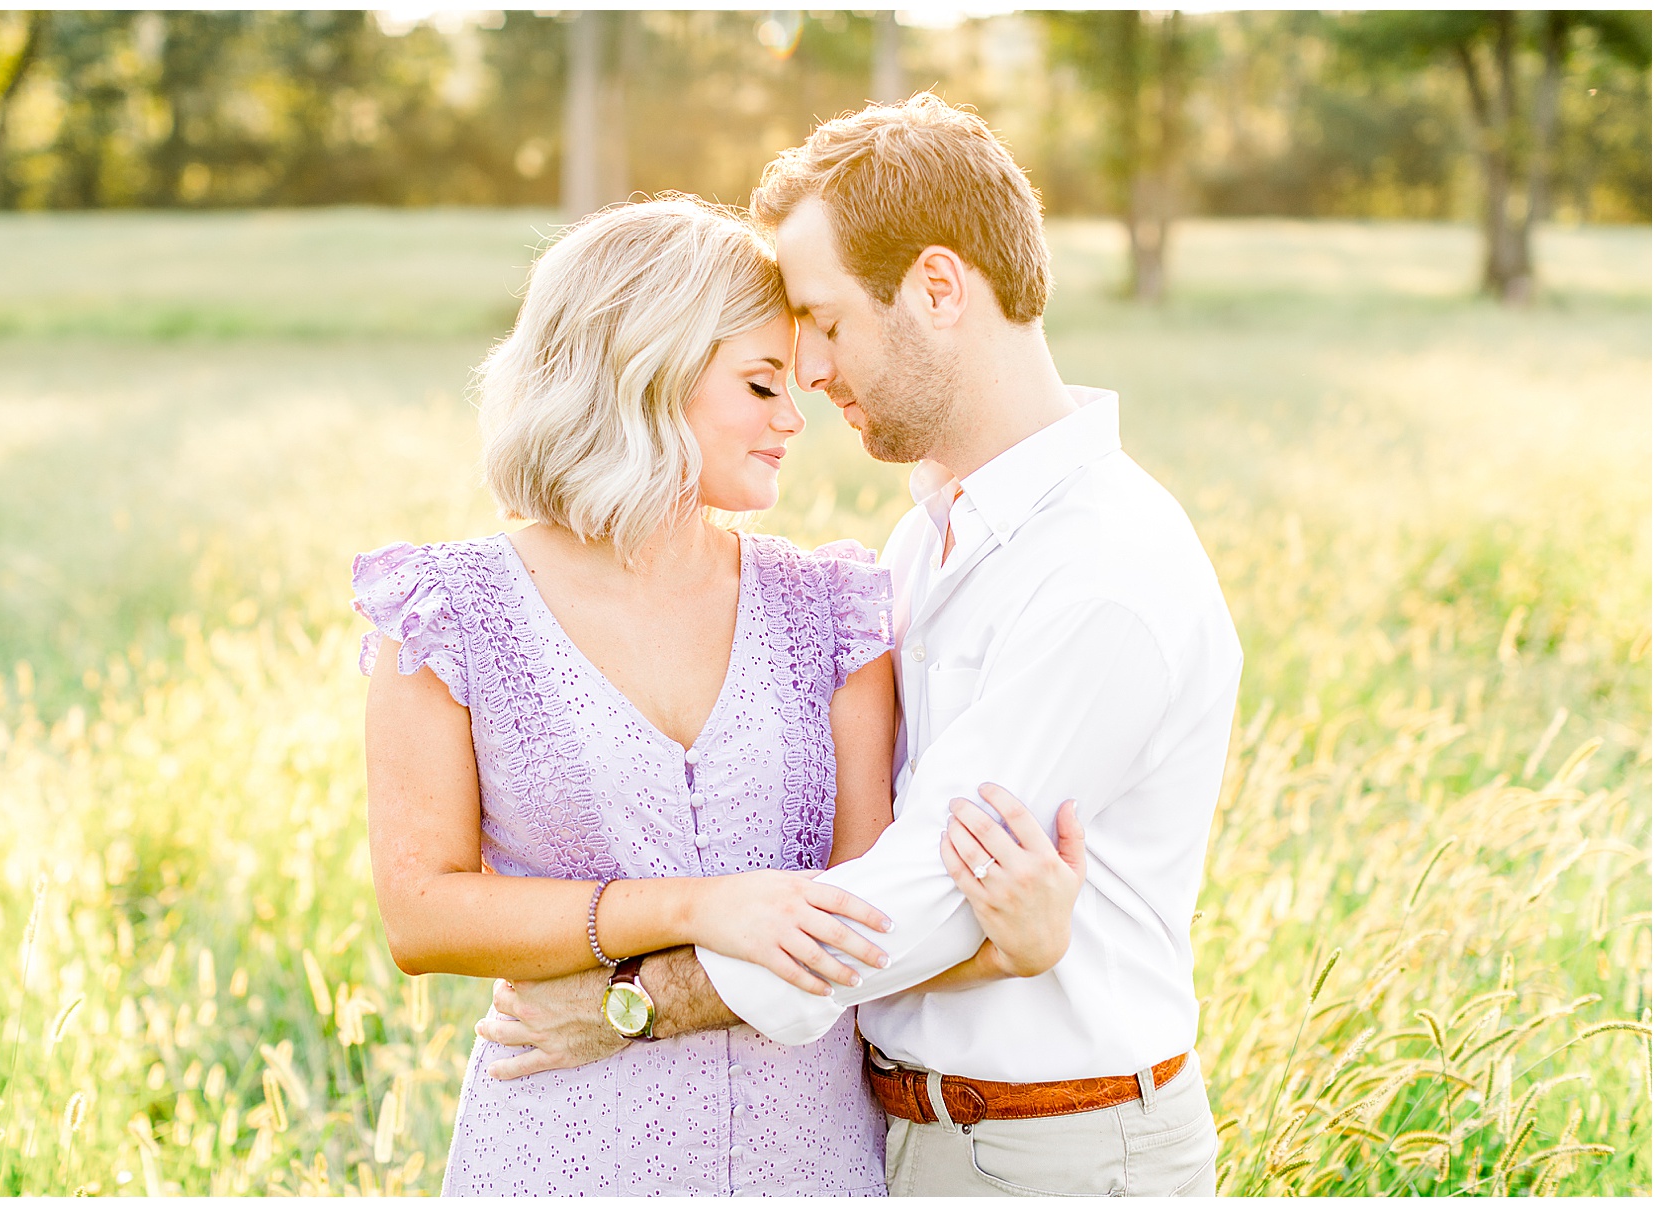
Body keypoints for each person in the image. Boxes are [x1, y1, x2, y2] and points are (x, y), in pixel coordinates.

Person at [481, 95, 1243, 1198]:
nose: (814, 370)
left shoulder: (1103, 574)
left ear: (938, 288)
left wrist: (639, 1001)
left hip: (1058, 1152)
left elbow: (915, 894)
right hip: (905, 1133)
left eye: (826, 322)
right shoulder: (932, 536)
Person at [353, 196, 1075, 1196]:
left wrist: (1008, 951)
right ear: (646, 367)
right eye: (761, 381)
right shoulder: (446, 611)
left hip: (809, 1158)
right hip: (560, 1154)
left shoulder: (831, 608)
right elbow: (422, 914)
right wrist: (699, 906)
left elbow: (864, 909)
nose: (796, 415)